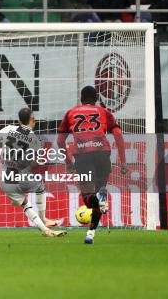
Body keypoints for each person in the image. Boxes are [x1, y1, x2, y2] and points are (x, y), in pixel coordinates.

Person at [57, 86, 127, 244]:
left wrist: (68, 162)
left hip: (83, 156)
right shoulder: (104, 112)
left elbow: (60, 141)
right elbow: (117, 134)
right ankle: (90, 234)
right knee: (99, 192)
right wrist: (123, 162)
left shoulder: (71, 113)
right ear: (96, 99)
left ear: (81, 99)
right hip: (102, 154)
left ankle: (98, 204)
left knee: (88, 198)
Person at [0, 107, 66, 237]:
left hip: (5, 179)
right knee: (39, 187)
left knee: (25, 204)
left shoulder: (8, 129)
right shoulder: (35, 140)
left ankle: (45, 230)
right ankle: (44, 219)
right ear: (32, 120)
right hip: (21, 177)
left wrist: (4, 145)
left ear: (18, 120)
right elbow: (33, 164)